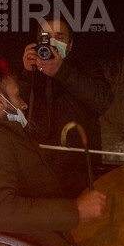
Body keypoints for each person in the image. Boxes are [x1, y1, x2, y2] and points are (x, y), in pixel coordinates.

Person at [0, 60, 106, 246]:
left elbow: (47, 178)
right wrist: (76, 210)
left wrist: (95, 183)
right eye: (16, 95)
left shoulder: (9, 136)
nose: (23, 103)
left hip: (56, 242)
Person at [18, 18, 113, 197]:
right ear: (39, 44)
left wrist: (62, 72)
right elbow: (12, 114)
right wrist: (26, 75)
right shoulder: (32, 75)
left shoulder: (84, 69)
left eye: (59, 37)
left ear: (70, 44)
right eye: (47, 37)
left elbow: (104, 101)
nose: (53, 42)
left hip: (80, 179)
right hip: (40, 178)